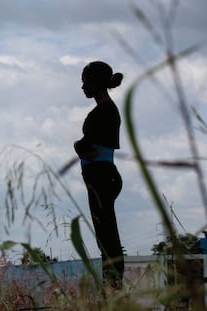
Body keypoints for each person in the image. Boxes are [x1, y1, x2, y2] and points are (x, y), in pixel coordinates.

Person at [74, 61, 124, 290]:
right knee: (105, 236)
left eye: (85, 81)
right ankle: (111, 285)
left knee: (107, 238)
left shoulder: (105, 111)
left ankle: (113, 287)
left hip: (103, 177)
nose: (82, 86)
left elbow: (91, 148)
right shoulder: (103, 110)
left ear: (94, 81)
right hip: (101, 177)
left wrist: (78, 145)